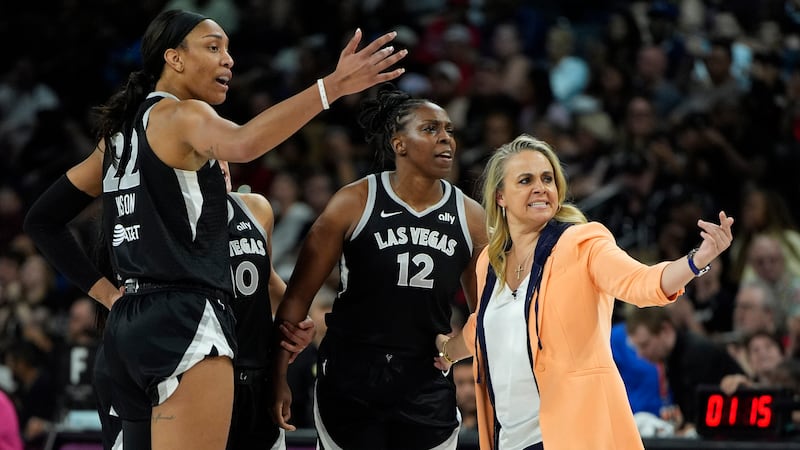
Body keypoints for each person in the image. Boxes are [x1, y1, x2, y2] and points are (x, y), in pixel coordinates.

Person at [22, 9, 406, 450]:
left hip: (126, 328)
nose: (229, 60)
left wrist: (106, 294)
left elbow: (43, 219)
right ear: (175, 58)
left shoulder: (119, 136)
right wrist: (331, 87)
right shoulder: (181, 115)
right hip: (186, 317)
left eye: (227, 49)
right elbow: (245, 143)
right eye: (213, 47)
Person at [437, 133, 735, 449]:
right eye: (525, 180)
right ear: (500, 197)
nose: (540, 187)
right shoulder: (489, 262)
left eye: (547, 178)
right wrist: (446, 352)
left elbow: (641, 282)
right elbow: (485, 327)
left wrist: (695, 260)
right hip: (508, 440)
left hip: (572, 435)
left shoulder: (582, 244)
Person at [270, 84, 488, 450]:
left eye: (449, 130)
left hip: (425, 377)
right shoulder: (353, 202)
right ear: (398, 143)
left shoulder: (471, 216)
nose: (445, 140)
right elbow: (296, 300)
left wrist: (455, 351)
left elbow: (486, 313)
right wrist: (278, 375)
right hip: (351, 377)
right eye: (430, 129)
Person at [91, 161, 315, 450]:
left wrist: (297, 318)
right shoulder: (161, 224)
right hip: (193, 375)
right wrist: (110, 297)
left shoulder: (256, 209)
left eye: (219, 153)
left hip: (254, 380)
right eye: (200, 156)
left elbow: (265, 277)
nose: (218, 164)